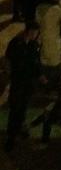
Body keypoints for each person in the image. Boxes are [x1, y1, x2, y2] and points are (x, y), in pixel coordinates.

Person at [4, 20, 42, 151]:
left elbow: (35, 62)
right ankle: (11, 135)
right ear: (29, 31)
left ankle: (19, 128)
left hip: (28, 82)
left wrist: (40, 75)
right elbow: (8, 59)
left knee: (23, 107)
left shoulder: (33, 44)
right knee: (15, 108)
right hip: (18, 81)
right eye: (34, 32)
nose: (35, 35)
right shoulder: (16, 43)